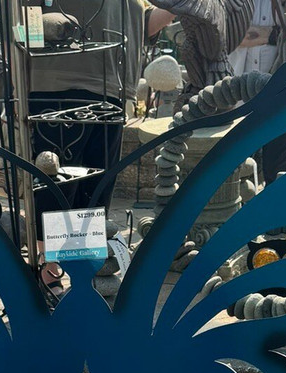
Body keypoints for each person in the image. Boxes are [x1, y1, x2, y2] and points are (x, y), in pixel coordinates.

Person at [27, 0, 174, 293]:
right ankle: (49, 268)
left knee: (96, 190)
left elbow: (141, 23)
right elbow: (27, 20)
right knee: (60, 185)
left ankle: (82, 276)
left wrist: (177, 6)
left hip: (111, 87)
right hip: (60, 82)